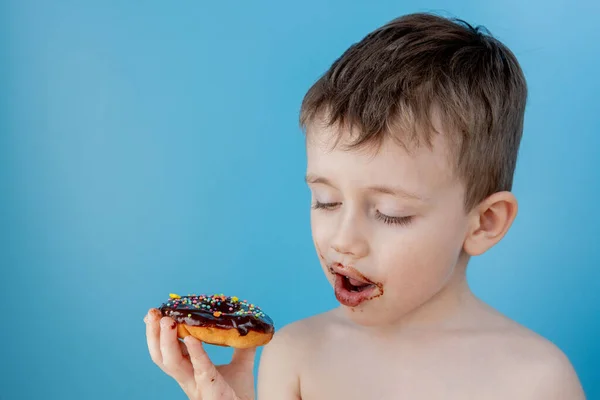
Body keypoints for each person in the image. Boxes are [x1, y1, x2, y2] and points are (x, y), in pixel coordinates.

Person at [144, 12, 586, 399]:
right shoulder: (296, 356)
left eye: (391, 212)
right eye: (326, 201)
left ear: (484, 222)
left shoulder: (537, 381)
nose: (343, 241)